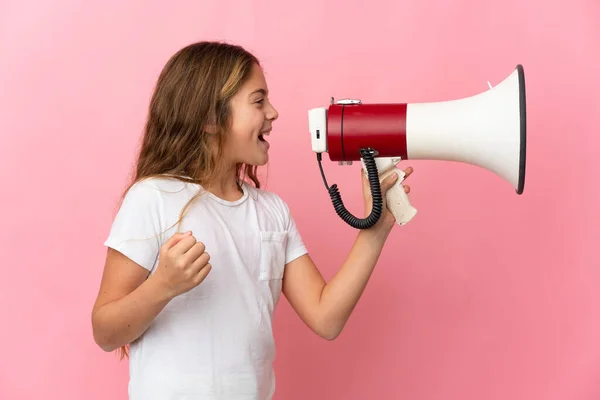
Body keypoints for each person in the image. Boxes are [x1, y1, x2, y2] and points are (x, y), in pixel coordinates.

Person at [91, 41, 413, 400]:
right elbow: (105, 331)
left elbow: (326, 317)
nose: (273, 112)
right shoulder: (153, 198)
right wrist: (162, 285)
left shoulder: (272, 211)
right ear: (211, 119)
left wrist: (376, 228)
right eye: (258, 101)